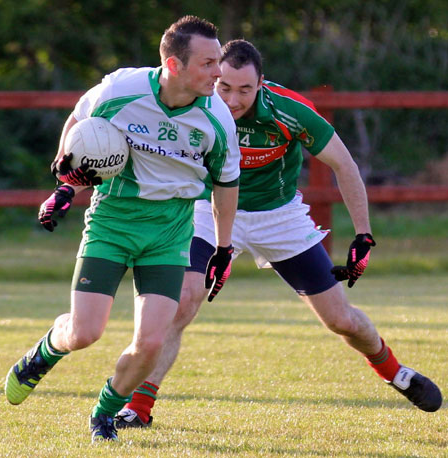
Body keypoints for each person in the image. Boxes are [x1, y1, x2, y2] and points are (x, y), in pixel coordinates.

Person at [114, 39, 442, 429]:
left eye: (245, 90)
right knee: (182, 302)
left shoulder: (289, 111)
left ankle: (394, 371)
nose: (233, 100)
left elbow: (345, 165)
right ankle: (138, 408)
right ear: (214, 78)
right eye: (225, 87)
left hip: (278, 216)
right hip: (210, 208)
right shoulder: (193, 104)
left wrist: (364, 234)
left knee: (341, 320)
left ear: (262, 84)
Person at [4, 16, 240, 443]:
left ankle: (104, 414)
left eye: (218, 62)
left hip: (170, 230)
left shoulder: (217, 118)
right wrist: (64, 186)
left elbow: (226, 186)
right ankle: (45, 352)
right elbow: (79, 122)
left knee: (151, 343)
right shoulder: (121, 90)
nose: (218, 73)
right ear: (174, 65)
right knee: (85, 332)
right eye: (207, 64)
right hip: (113, 220)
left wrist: (223, 249)